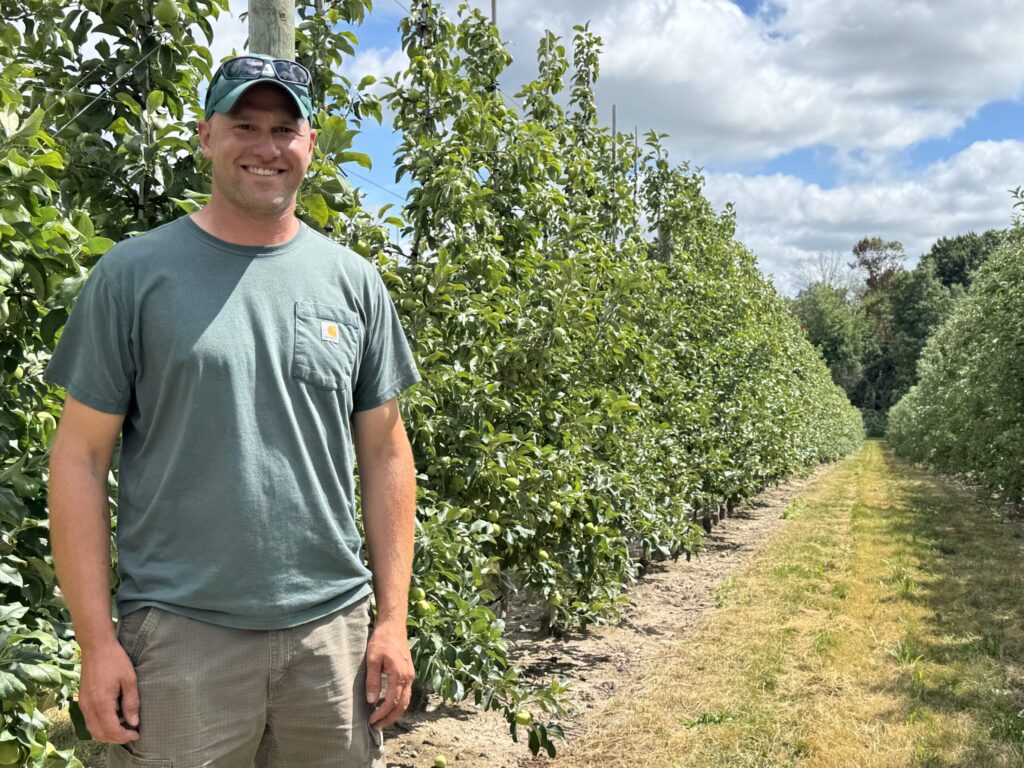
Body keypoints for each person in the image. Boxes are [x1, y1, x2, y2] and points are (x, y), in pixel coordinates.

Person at [44, 53, 420, 767]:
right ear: (205, 136)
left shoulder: (354, 282)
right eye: (244, 124)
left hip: (330, 637)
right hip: (183, 638)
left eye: (285, 128)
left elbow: (385, 453)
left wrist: (392, 621)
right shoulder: (133, 275)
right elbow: (80, 458)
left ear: (312, 143)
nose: (265, 147)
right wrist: (96, 641)